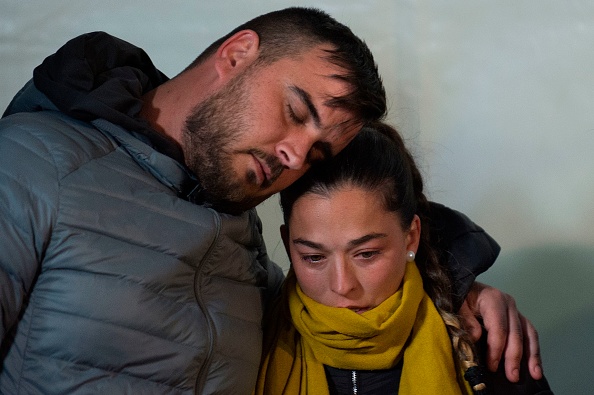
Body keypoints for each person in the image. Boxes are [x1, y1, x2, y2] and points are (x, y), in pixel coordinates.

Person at [0, 6, 538, 394]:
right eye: (296, 111)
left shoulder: (244, 240)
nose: (294, 155)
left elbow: (344, 253)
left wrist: (458, 282)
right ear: (236, 55)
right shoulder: (34, 164)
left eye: (318, 154)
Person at [256, 123, 553, 394]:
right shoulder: (248, 338)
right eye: (313, 257)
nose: (342, 285)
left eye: (367, 254)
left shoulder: (492, 348)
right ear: (288, 244)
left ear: (411, 236)